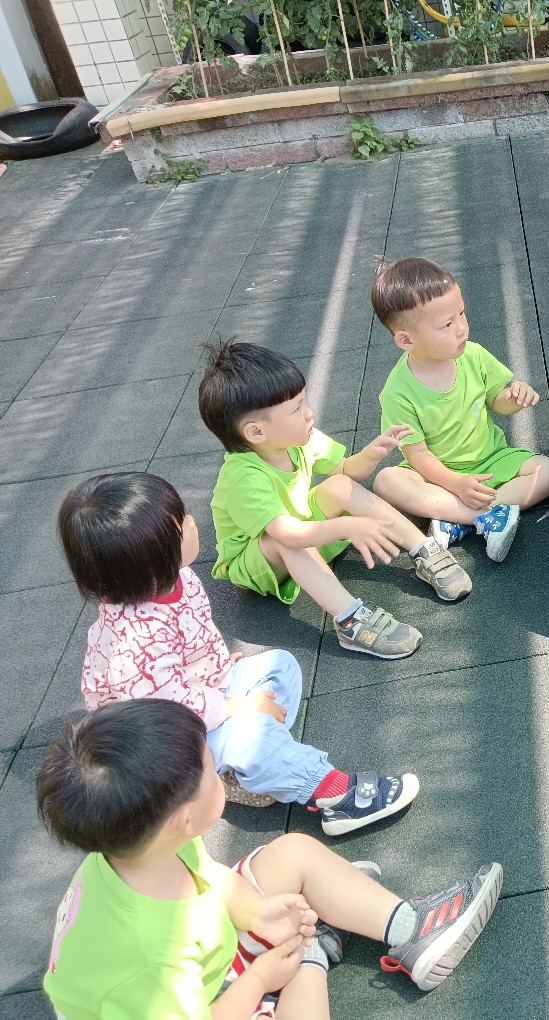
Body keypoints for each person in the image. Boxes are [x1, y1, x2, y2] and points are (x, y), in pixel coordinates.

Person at [39, 698, 502, 1019]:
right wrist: (261, 978)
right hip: (193, 1004)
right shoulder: (152, 962)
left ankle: (412, 929)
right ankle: (313, 952)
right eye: (212, 770)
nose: (221, 772)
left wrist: (258, 912)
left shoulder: (137, 849)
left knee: (292, 852)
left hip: (201, 962)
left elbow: (213, 878)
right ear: (184, 819)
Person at [57, 471, 419, 832]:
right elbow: (170, 712)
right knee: (252, 737)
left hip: (198, 693)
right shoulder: (138, 641)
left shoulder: (175, 577)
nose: (192, 522)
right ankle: (334, 795)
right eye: (181, 525)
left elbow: (192, 640)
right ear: (151, 560)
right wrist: (241, 708)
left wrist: (213, 667)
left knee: (280, 666)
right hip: (165, 743)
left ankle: (246, 767)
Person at [200, 341, 471, 661]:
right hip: (258, 562)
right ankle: (350, 620)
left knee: (339, 486)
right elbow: (287, 534)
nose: (309, 413)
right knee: (287, 540)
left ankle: (424, 549)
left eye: (304, 402)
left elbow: (345, 471)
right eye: (296, 409)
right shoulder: (243, 477)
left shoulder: (299, 439)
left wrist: (370, 455)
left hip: (299, 526)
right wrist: (345, 526)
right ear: (256, 432)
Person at [370, 257, 549, 561]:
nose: (461, 328)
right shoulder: (397, 393)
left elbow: (496, 400)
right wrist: (455, 483)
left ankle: (455, 518)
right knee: (386, 482)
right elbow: (417, 454)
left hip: (491, 459)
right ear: (406, 340)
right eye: (447, 325)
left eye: (461, 313)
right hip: (436, 475)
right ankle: (485, 516)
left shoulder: (473, 355)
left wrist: (512, 399)